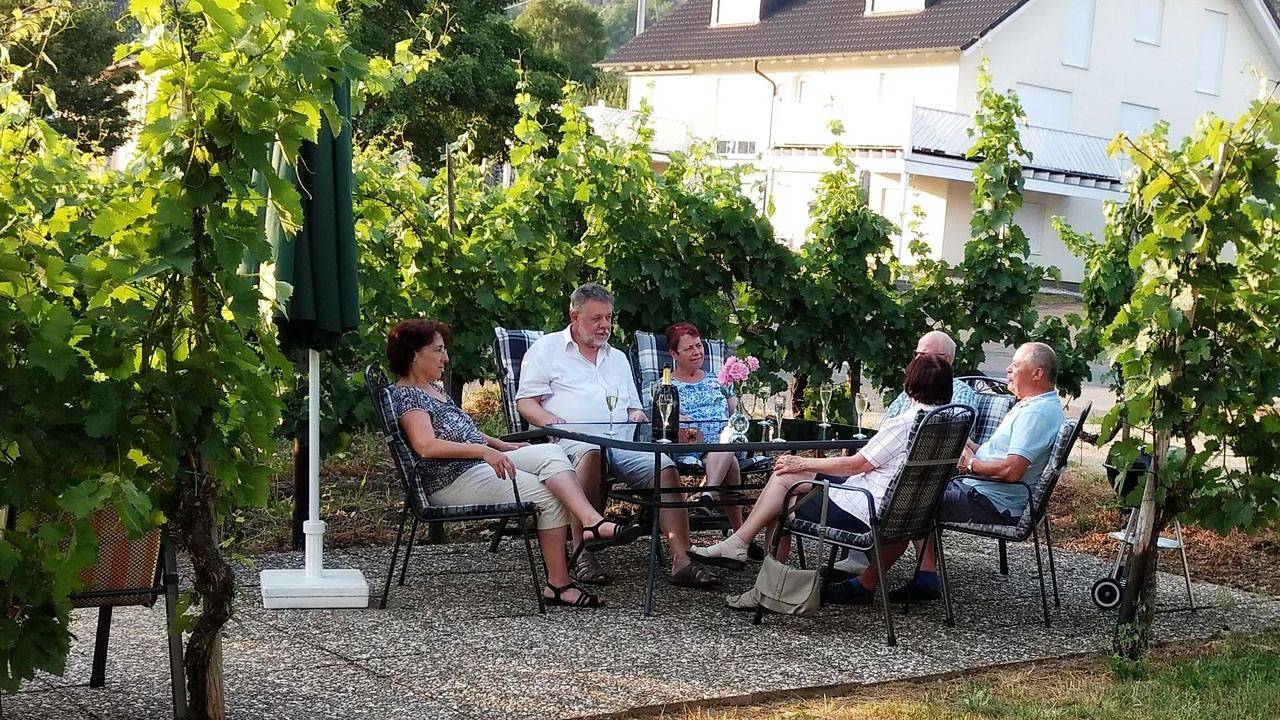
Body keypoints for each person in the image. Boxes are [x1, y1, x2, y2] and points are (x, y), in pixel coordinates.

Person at [386, 319, 643, 609]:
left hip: (474, 465)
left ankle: (592, 521)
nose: (446, 358)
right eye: (438, 351)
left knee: (550, 452)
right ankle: (559, 584)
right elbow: (426, 445)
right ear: (414, 354)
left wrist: (500, 444)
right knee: (549, 496)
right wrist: (483, 452)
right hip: (452, 479)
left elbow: (463, 429)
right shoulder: (409, 396)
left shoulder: (434, 390)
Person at [687, 354, 955, 603]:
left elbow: (856, 464)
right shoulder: (949, 422)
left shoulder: (906, 423)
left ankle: (763, 587)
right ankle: (741, 545)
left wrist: (803, 460)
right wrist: (805, 467)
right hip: (906, 513)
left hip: (863, 508)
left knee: (784, 497)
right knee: (788, 476)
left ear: (910, 383)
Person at [827, 341, 1066, 606]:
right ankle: (922, 576)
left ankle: (866, 583)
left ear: (1037, 374)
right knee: (916, 492)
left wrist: (970, 465)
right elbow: (997, 457)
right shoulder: (1035, 405)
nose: (1008, 370)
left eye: (1016, 366)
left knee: (909, 502)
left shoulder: (1036, 413)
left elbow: (1011, 471)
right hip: (986, 490)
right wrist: (964, 445)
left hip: (991, 500)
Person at [515, 284, 719, 589]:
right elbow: (525, 402)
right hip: (572, 442)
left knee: (665, 467)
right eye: (596, 319)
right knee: (591, 456)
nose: (604, 326)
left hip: (622, 442)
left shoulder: (618, 358)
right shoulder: (546, 350)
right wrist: (550, 420)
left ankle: (681, 559)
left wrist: (646, 416)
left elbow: (634, 409)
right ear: (574, 315)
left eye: (608, 318)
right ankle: (583, 553)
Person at [830, 329, 976, 580]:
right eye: (916, 354)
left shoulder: (957, 393)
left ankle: (771, 576)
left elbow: (952, 435)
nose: (914, 361)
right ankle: (873, 572)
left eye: (921, 355)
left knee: (795, 481)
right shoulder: (911, 397)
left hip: (915, 479)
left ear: (944, 359)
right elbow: (887, 428)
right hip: (899, 474)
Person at [665, 322, 753, 539]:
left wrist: (740, 393)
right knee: (728, 455)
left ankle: (708, 496)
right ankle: (739, 535)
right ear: (674, 354)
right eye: (689, 349)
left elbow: (739, 414)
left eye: (698, 346)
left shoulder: (719, 380)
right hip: (690, 446)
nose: (697, 352)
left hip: (722, 446)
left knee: (728, 446)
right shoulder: (666, 387)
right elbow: (668, 424)